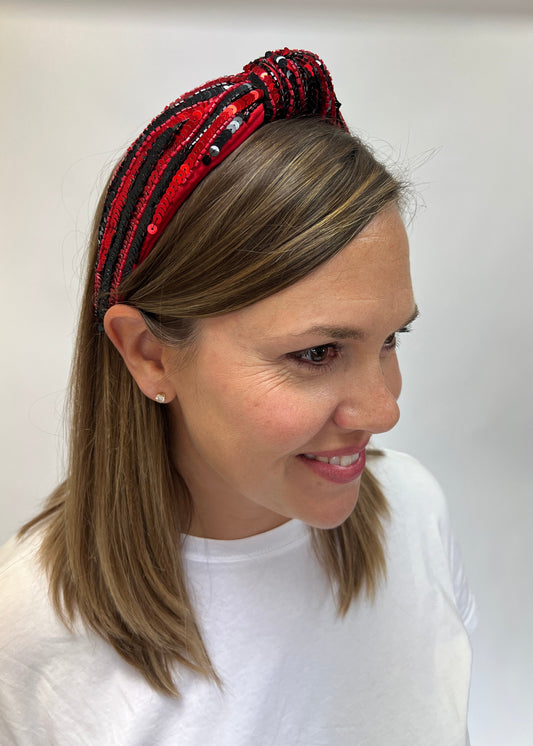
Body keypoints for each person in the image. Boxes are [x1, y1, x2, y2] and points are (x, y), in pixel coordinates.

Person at [0, 49, 476, 745]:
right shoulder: (32, 632)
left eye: (390, 339)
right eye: (315, 353)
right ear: (149, 354)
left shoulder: (415, 513)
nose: (383, 412)